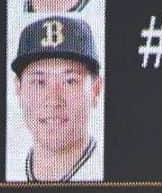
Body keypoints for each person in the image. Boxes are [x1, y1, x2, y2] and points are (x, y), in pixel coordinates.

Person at [10, 15, 102, 182]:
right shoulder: (5, 176)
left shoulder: (116, 173)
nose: (53, 100)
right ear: (19, 89)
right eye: (39, 82)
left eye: (70, 81)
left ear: (96, 90)